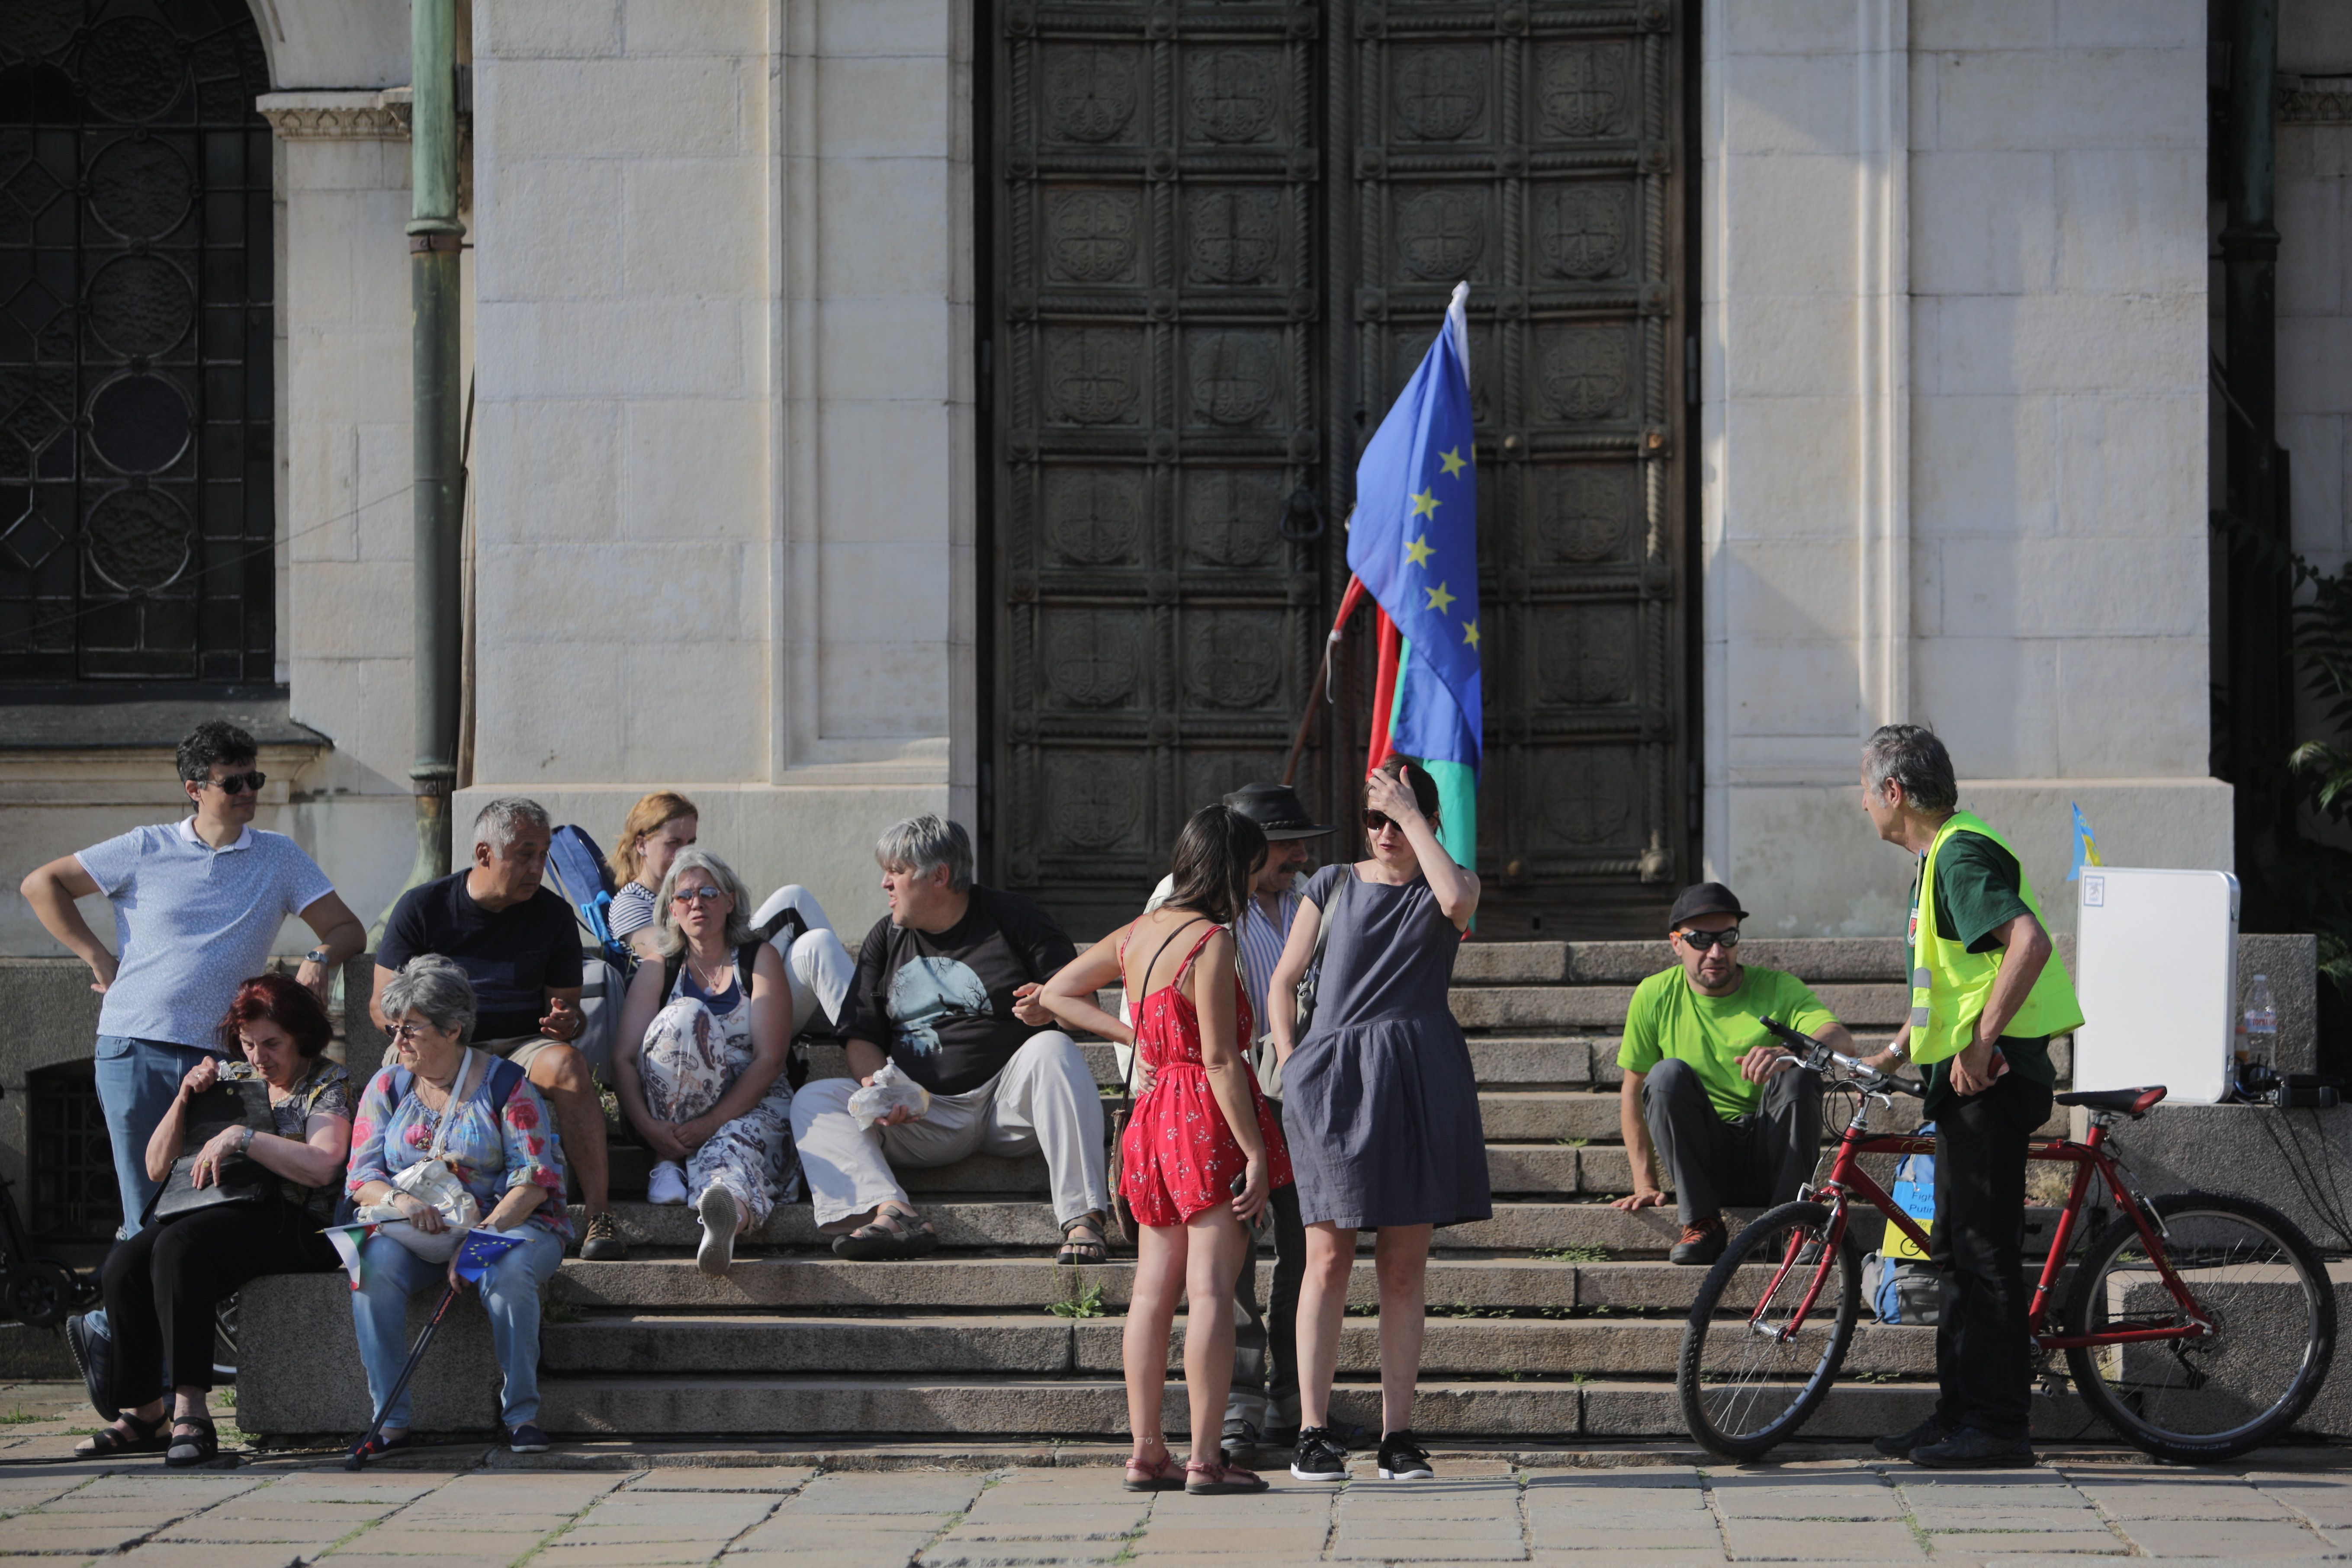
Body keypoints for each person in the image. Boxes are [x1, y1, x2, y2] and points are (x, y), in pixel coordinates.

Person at [17, 721, 364, 1235]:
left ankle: (129, 1317)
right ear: (195, 789)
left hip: (225, 1059)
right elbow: (40, 884)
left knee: (210, 1201)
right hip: (136, 1045)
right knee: (144, 1204)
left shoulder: (280, 856)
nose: (248, 792)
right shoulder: (145, 847)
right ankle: (125, 1315)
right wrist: (97, 957)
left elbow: (348, 928)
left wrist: (319, 955)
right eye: (233, 783)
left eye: (255, 780)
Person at [1041, 805, 1290, 1497]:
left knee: (1153, 1291)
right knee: (1210, 1288)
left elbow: (1061, 990)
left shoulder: (1140, 931)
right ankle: (1207, 1458)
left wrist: (1134, 1043)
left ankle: (1147, 1451)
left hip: (1150, 1118)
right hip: (1204, 1117)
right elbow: (1219, 1058)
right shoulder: (1210, 940)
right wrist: (1258, 1152)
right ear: (1235, 867)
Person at [1853, 725, 2082, 1470]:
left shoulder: (1959, 852)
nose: (1864, 808)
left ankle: (1997, 1426)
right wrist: (1889, 1053)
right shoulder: (1936, 860)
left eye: (1866, 792)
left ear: (1893, 792)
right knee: (1954, 1252)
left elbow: (2029, 942)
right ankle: (1957, 1415)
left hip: (1989, 1080)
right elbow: (1944, 988)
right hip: (1960, 1083)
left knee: (1981, 1256)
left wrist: (1981, 1043)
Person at [1267, 755, 1489, 1485]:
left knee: (1402, 1266)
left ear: (1421, 818)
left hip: (1422, 1074)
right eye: (1373, 817)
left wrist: (1415, 815)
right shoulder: (1329, 884)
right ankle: (1311, 1430)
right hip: (1335, 1078)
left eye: (1394, 815)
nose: (1382, 829)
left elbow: (1458, 903)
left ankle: (1399, 1435)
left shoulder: (1446, 885)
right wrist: (1295, 1062)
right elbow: (1284, 978)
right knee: (1327, 1258)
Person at [791, 815, 1111, 1263]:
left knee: (1053, 1048)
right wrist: (880, 1090)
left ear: (939, 876)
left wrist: (1052, 1006)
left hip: (1008, 1105)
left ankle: (1084, 1217)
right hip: (922, 1114)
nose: (885, 883)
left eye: (897, 871)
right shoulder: (887, 937)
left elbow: (1086, 1002)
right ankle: (894, 1211)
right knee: (814, 1100)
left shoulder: (1015, 917)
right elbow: (861, 1035)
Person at [75, 974, 351, 1466]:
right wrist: (185, 1097)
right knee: (126, 1264)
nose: (259, 1057)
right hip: (221, 1210)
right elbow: (157, 1167)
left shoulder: (327, 1083)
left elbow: (323, 1165)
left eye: (272, 1044)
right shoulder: (232, 1078)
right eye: (248, 1044)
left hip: (297, 1220)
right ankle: (144, 1413)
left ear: (301, 1037)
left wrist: (243, 1138)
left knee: (180, 1248)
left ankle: (192, 1411)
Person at [1146, 782, 1332, 1452]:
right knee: (1234, 1261)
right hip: (1222, 1096)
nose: (1299, 854)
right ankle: (1238, 1410)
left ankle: (1296, 1399)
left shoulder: (1314, 895)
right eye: (1285, 844)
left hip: (1302, 1089)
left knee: (1306, 1243)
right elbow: (1150, 1002)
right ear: (1245, 850)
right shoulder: (1190, 907)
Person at [372, 797, 623, 1260]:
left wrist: (566, 1020)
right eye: (525, 854)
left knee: (568, 1063)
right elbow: (379, 1005)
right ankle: (381, 1195)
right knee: (396, 1064)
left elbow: (567, 1009)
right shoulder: (423, 907)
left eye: (544, 855)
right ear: (485, 854)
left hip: (518, 1044)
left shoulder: (551, 914)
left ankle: (598, 1216)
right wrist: (418, 1031)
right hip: (438, 1041)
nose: (537, 867)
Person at [346, 956, 571, 1457]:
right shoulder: (388, 1085)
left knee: (506, 1267)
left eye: (410, 1029)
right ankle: (390, 1419)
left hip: (514, 1224)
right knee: (370, 1265)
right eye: (394, 1028)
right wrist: (400, 1199)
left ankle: (522, 1414)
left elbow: (534, 1181)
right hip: (418, 1226)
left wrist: (478, 1240)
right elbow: (361, 1177)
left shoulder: (506, 1084)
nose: (398, 1040)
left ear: (453, 1029)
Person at [1610, 881, 1852, 1265]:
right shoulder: (1654, 995)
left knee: (1800, 1069)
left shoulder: (1777, 988)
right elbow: (1633, 1090)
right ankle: (1702, 1222)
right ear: (1676, 943)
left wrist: (1789, 1052)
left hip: (1773, 1151)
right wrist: (1645, 1182)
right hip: (1705, 1158)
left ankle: (1789, 1222)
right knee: (1665, 1076)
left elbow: (1839, 1038)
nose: (1716, 951)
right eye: (1700, 939)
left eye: (1727, 937)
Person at [610, 848, 797, 1276]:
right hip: (673, 1112)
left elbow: (770, 1060)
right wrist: (652, 1129)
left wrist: (712, 1123)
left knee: (734, 1147)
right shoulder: (660, 966)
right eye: (686, 896)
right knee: (686, 1017)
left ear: (730, 901)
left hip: (752, 1100)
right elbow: (622, 1058)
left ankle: (726, 1216)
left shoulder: (757, 958)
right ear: (672, 908)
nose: (698, 903)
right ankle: (671, 1161)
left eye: (710, 893)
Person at [606, 791, 700, 963]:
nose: (685, 854)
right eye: (674, 843)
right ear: (642, 845)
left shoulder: (687, 894)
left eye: (690, 843)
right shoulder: (629, 903)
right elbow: (669, 953)